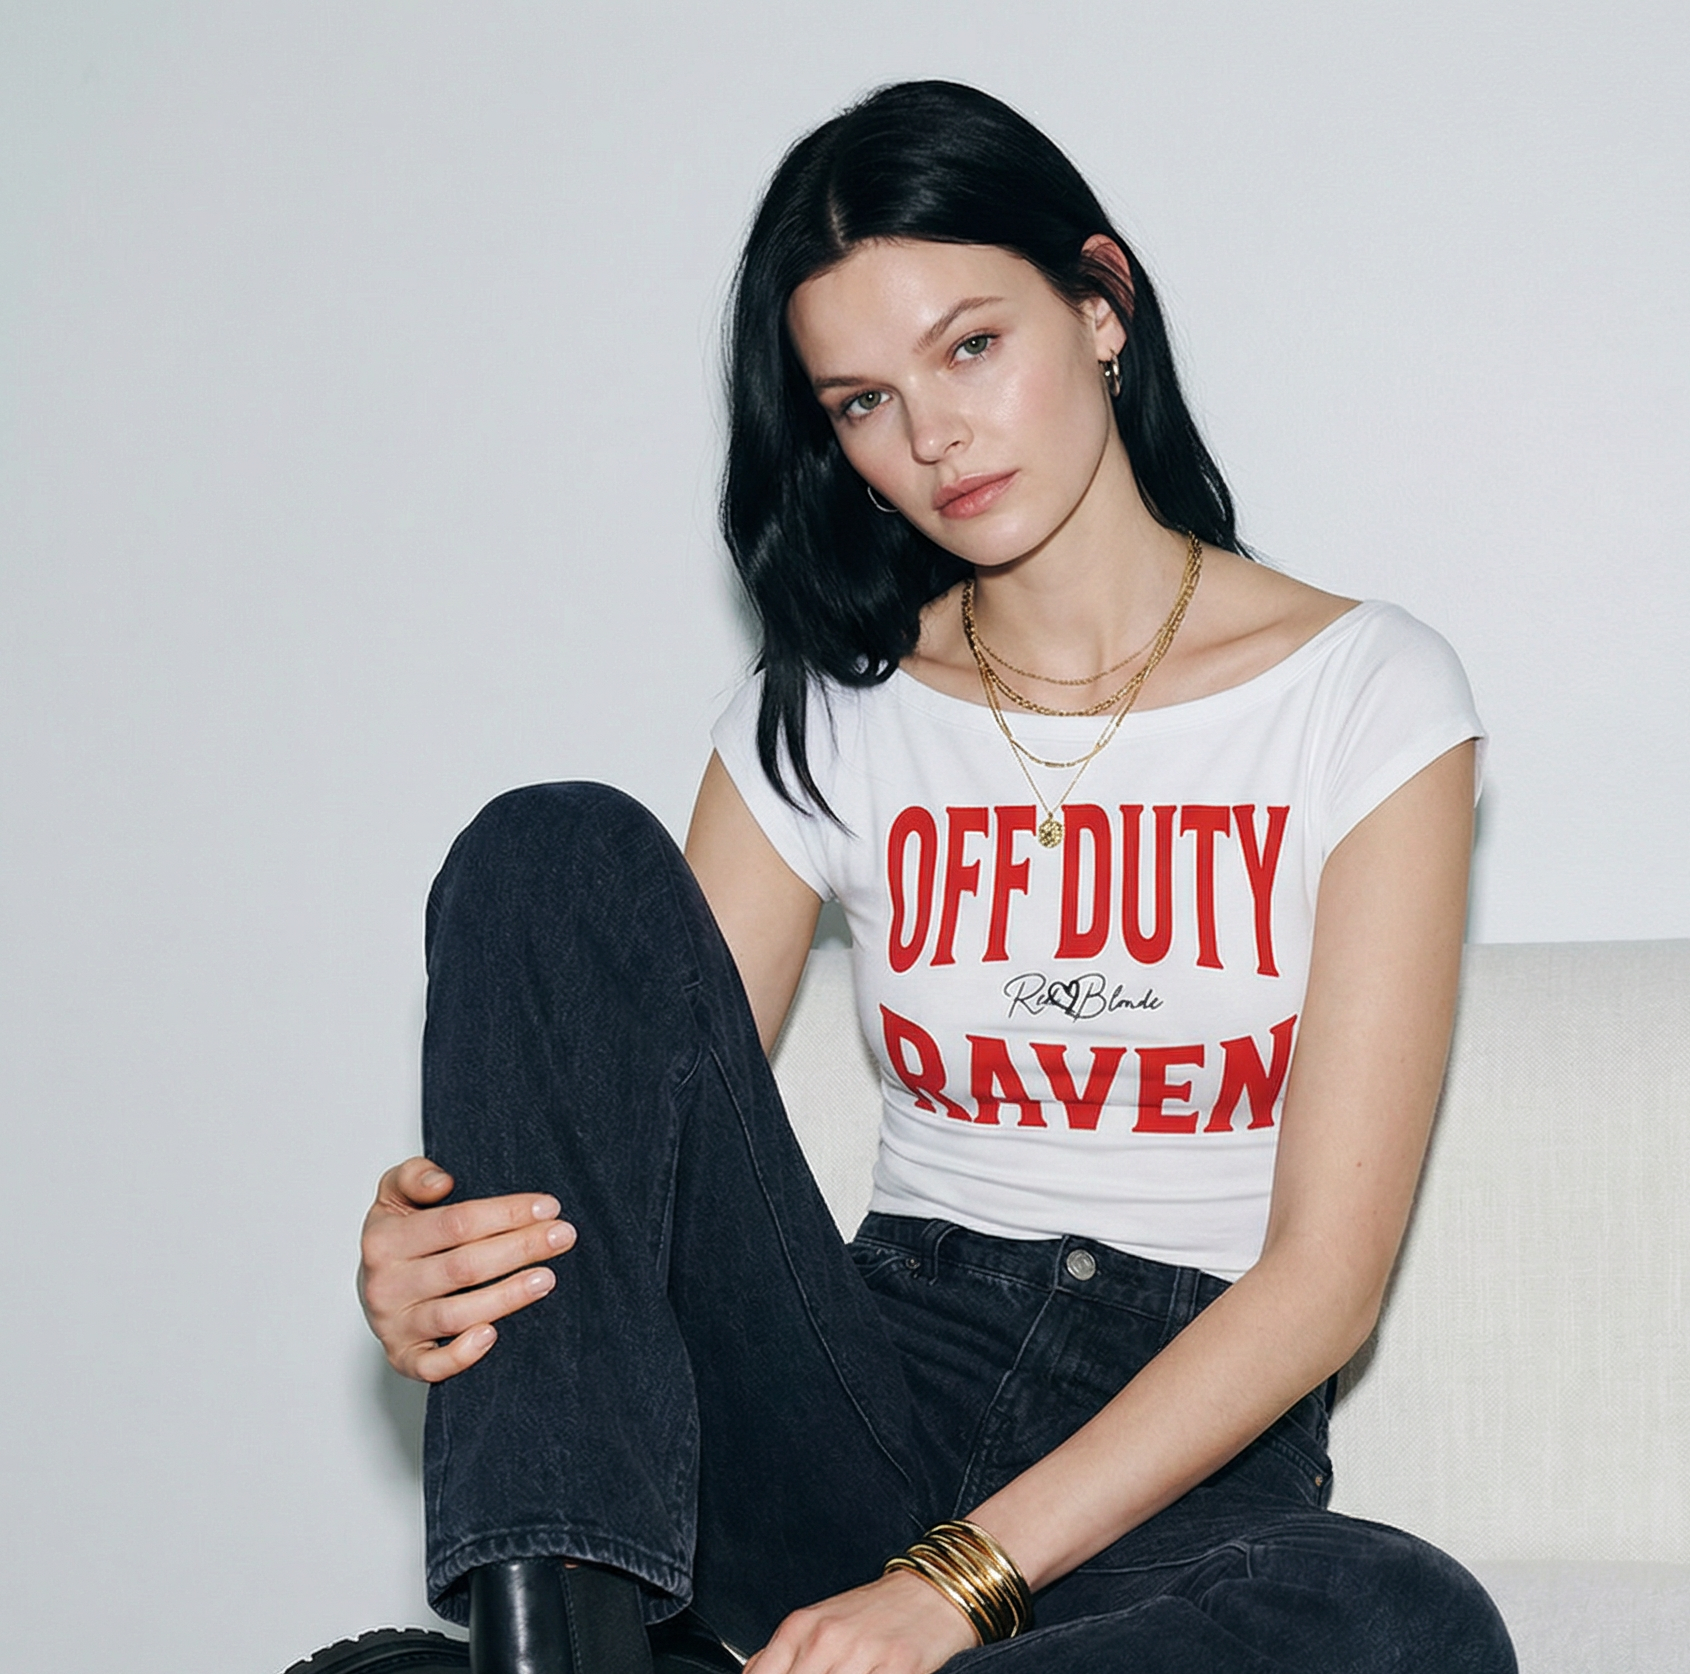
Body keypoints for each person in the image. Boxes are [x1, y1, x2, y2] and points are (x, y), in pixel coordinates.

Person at [357, 80, 1516, 1674]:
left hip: (1164, 1487)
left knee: (1403, 1620)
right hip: (863, 1392)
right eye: (861, 402)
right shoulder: (830, 712)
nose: (932, 438)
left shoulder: (1363, 691)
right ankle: (557, 1640)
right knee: (547, 850)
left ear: (1100, 304)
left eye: (970, 345)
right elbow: (627, 1117)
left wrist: (951, 1587)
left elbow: (1325, 1281)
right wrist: (439, 1259)